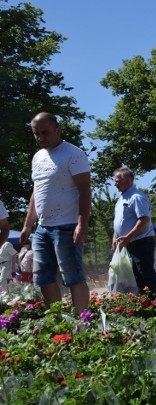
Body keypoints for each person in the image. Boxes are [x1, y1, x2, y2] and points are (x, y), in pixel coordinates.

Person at [19, 112, 91, 314]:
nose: (41, 137)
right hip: (43, 228)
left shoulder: (73, 154)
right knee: (42, 277)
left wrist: (82, 223)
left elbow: (85, 189)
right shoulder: (37, 157)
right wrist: (27, 224)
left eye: (45, 132)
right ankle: (57, 322)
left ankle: (81, 323)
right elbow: (37, 192)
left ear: (57, 130)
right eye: (36, 134)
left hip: (68, 225)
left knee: (73, 277)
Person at [112, 167, 156, 298]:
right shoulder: (121, 199)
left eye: (117, 181)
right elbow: (120, 221)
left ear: (127, 181)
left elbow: (144, 220)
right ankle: (141, 303)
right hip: (128, 243)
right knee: (134, 276)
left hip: (141, 242)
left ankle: (152, 303)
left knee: (144, 273)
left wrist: (128, 236)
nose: (115, 184)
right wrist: (115, 237)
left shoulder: (137, 197)